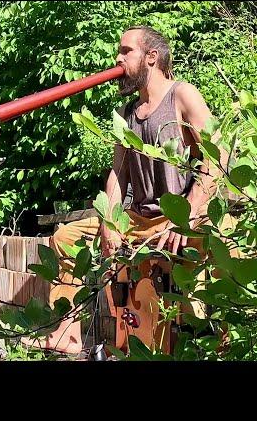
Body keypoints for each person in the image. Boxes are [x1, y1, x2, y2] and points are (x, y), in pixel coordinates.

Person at [50, 25, 223, 327]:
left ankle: (222, 343)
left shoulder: (182, 95)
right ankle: (66, 331)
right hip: (139, 220)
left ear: (152, 56)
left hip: (181, 216)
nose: (118, 59)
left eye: (126, 51)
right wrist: (110, 223)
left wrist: (189, 214)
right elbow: (118, 174)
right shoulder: (127, 112)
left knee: (222, 242)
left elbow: (217, 156)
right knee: (66, 237)